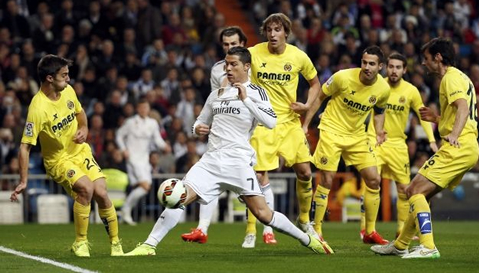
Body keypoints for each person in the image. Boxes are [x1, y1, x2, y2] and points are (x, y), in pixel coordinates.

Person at [124, 47, 333, 256]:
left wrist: (246, 100)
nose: (228, 68)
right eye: (226, 64)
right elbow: (199, 122)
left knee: (263, 214)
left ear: (246, 67)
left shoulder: (256, 92)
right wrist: (196, 128)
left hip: (238, 162)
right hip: (211, 161)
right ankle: (149, 245)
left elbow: (271, 122)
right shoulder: (217, 94)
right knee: (177, 198)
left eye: (233, 64)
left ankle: (307, 240)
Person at [371, 38, 479, 259]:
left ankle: (428, 246)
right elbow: (459, 112)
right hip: (468, 147)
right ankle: (401, 244)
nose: (423, 63)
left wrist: (454, 135)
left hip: (458, 145)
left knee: (413, 190)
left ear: (438, 58)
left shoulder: (449, 78)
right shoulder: (462, 77)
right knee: (421, 194)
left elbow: (463, 109)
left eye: (426, 59)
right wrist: (438, 119)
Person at [9, 55, 123, 257]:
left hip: (80, 151)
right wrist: (23, 180)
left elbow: (80, 114)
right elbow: (25, 147)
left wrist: (85, 128)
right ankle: (81, 242)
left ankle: (116, 244)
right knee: (86, 189)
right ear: (50, 78)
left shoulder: (68, 91)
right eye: (64, 75)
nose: (69, 79)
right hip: (58, 160)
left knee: (102, 192)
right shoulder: (37, 108)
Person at [242, 13, 321, 248]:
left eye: (277, 29)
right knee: (256, 177)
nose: (273, 34)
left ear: (286, 32)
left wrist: (307, 105)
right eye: (269, 30)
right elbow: (234, 65)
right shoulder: (254, 52)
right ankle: (250, 231)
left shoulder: (298, 56)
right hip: (262, 123)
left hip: (289, 123)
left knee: (305, 172)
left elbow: (315, 83)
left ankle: (304, 220)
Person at [303, 46, 390, 244]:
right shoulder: (342, 77)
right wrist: (306, 124)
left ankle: (369, 232)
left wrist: (379, 130)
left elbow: (379, 111)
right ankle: (316, 230)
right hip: (332, 131)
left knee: (374, 180)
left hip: (357, 137)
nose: (366, 67)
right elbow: (320, 97)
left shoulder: (383, 89)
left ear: (380, 66)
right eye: (364, 62)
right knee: (326, 179)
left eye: (372, 64)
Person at [360, 53, 439, 239]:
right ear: (386, 67)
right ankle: (366, 229)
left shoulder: (411, 91)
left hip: (397, 145)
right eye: (391, 66)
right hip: (375, 141)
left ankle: (401, 230)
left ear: (404, 70)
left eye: (398, 67)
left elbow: (423, 116)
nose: (393, 71)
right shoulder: (376, 84)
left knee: (404, 189)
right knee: (372, 182)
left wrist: (432, 140)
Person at [181, 26, 248, 244]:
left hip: (248, 131)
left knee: (259, 183)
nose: (229, 48)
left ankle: (264, 230)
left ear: (243, 44)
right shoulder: (217, 69)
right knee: (210, 180)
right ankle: (202, 228)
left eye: (234, 44)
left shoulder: (252, 65)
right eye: (226, 45)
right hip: (223, 132)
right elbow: (214, 100)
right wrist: (201, 125)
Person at [116, 98, 171, 226]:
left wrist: (164, 147)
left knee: (143, 188)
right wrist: (123, 149)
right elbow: (119, 134)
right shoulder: (130, 122)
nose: (143, 110)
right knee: (145, 186)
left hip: (145, 160)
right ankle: (125, 211)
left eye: (146, 107)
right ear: (137, 109)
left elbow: (157, 140)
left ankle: (125, 212)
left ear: (148, 109)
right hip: (133, 159)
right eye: (141, 107)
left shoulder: (152, 123)